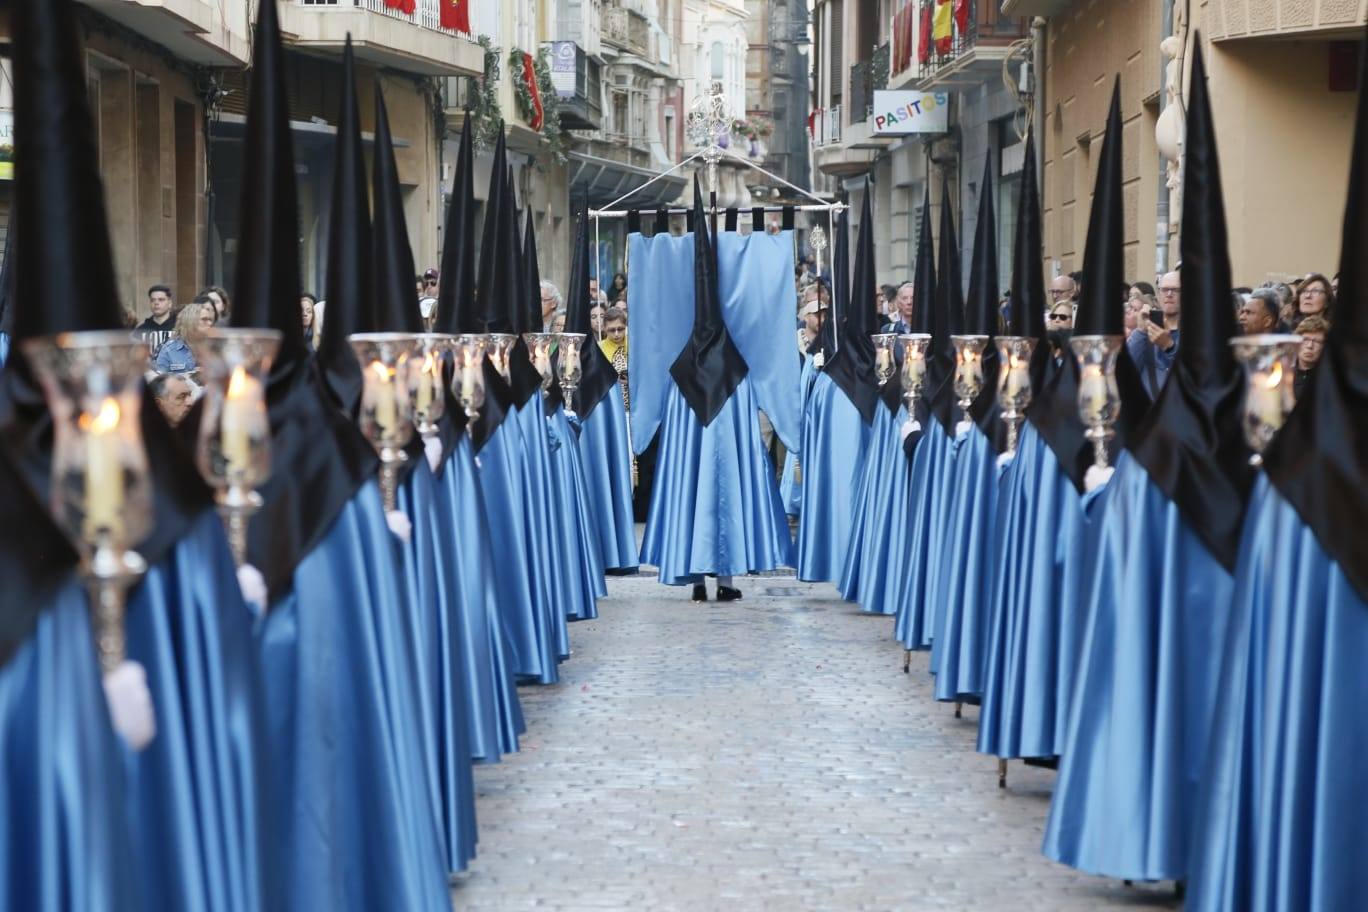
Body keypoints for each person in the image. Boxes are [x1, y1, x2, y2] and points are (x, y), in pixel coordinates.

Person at [1128, 269, 1180, 397]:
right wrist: (1140, 331)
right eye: (1164, 289)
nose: (1169, 294)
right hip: (1149, 407)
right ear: (1158, 294)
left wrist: (1170, 347)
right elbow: (1126, 371)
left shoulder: (1197, 331)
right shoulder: (1145, 330)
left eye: (1175, 290)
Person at [153, 294, 216, 374]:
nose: (209, 323)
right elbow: (159, 379)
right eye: (204, 319)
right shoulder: (169, 349)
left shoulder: (216, 348)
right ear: (190, 321)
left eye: (210, 320)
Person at [1293, 314, 1328, 401]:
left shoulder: (1330, 379)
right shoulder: (1285, 373)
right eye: (1305, 339)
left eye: (1317, 341)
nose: (1310, 346)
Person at [136, 283, 177, 355]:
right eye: (153, 300)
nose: (156, 303)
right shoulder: (141, 330)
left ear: (170, 303)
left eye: (161, 300)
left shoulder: (179, 327)